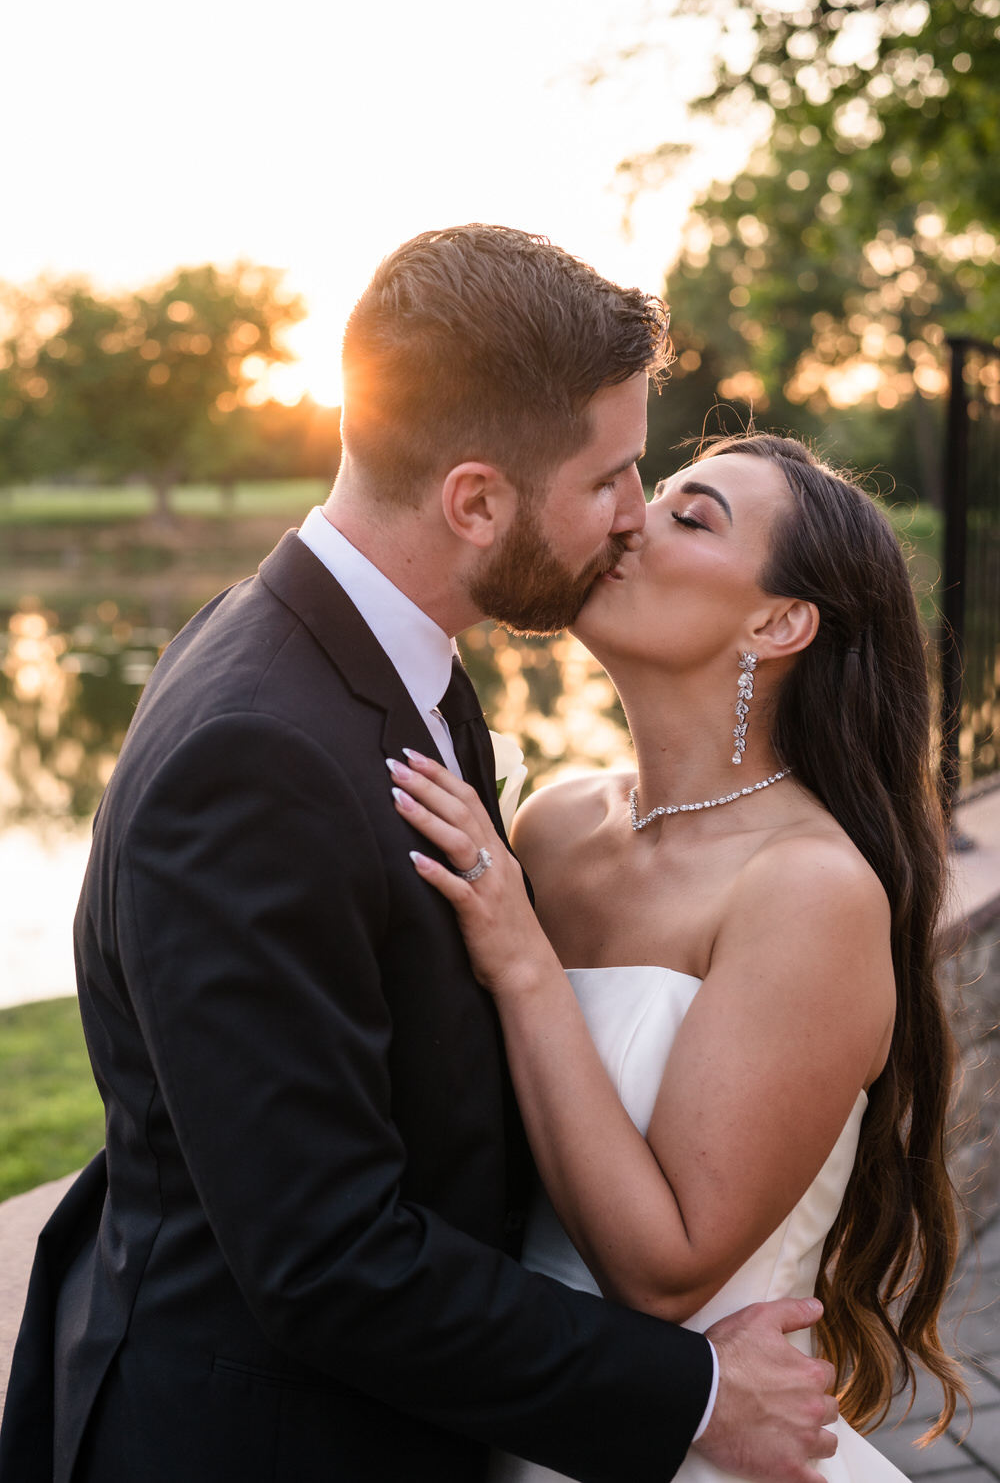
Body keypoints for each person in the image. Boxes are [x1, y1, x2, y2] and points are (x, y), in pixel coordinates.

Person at [0, 230, 837, 1483]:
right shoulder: (259, 753)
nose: (631, 518)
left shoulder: (391, 666)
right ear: (477, 501)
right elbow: (328, 1260)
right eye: (611, 479)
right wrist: (697, 1395)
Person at [390, 432, 967, 1483]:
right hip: (502, 1412)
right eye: (644, 495)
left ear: (778, 621)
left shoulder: (808, 889)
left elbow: (662, 1276)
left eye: (689, 516)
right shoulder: (556, 825)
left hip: (695, 1448)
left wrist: (523, 962)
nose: (625, 521)